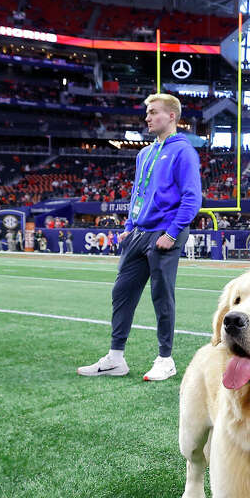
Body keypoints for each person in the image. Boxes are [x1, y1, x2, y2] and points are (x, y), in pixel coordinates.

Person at [78, 93, 202, 381]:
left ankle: (165, 358)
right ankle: (116, 358)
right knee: (122, 292)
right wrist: (130, 225)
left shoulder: (184, 151)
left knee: (162, 295)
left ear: (171, 116)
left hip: (164, 232)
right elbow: (139, 192)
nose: (147, 117)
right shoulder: (144, 153)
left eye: (153, 112)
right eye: (147, 112)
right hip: (139, 232)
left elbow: (192, 197)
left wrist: (172, 233)